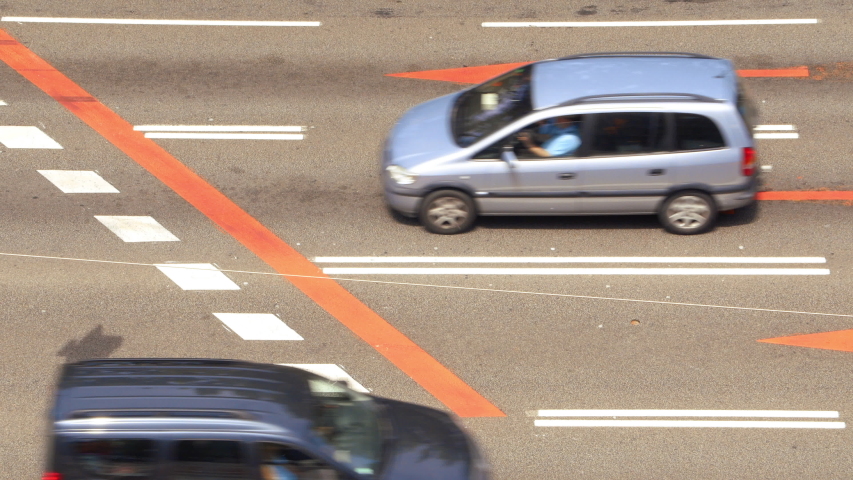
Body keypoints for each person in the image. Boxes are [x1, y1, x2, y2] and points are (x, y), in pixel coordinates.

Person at [517, 116, 581, 158]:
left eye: (559, 118)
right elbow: (546, 132)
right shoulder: (563, 128)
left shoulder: (570, 138)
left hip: (544, 160)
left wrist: (529, 144)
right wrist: (541, 123)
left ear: (567, 121)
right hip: (542, 150)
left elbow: (547, 155)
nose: (556, 121)